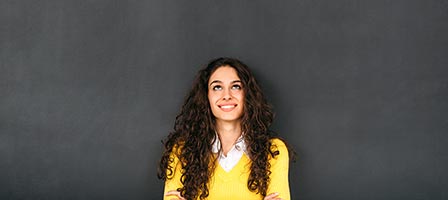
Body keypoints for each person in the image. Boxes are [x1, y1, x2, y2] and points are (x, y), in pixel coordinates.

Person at [158, 57, 291, 200]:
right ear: (206, 96)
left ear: (247, 94)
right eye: (217, 87)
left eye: (236, 86)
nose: (227, 95)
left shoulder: (273, 151)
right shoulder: (181, 151)